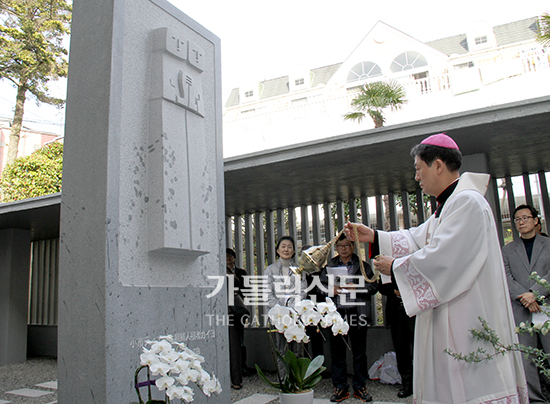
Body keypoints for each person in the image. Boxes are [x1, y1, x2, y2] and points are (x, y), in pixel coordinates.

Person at [345, 133, 527, 404]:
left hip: (468, 317)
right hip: (449, 315)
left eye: (419, 169)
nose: (417, 177)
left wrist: (395, 267)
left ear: (438, 165)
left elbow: (444, 258)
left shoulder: (468, 203)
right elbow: (417, 238)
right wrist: (373, 236)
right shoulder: (448, 206)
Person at [318, 233, 378, 402]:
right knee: (337, 353)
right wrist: (331, 290)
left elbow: (373, 287)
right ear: (336, 248)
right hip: (337, 315)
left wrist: (356, 287)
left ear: (353, 246)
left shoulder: (363, 265)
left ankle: (360, 387)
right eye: (340, 246)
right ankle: (340, 388)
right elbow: (319, 288)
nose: (343, 249)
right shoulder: (330, 265)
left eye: (347, 245)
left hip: (357, 313)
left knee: (360, 353)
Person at [503, 204, 550, 403]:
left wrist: (535, 294)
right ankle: (535, 398)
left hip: (545, 306)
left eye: (526, 218)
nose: (521, 222)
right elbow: (506, 277)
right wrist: (525, 296)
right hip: (521, 309)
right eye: (518, 219)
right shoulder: (507, 249)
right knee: (526, 358)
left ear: (536, 220)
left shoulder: (548, 244)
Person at [265, 236, 306, 377]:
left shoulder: (299, 270)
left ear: (294, 251)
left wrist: (293, 309)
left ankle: (297, 380)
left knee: (297, 350)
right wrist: (283, 310)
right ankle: (284, 381)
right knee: (281, 350)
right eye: (283, 246)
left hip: (295, 316)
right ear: (277, 250)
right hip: (278, 317)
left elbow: (302, 291)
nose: (286, 249)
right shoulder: (270, 270)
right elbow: (267, 294)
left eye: (289, 246)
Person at [377, 279, 414, 398]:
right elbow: (381, 287)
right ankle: (407, 384)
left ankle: (424, 382)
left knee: (421, 347)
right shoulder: (389, 263)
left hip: (416, 309)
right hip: (397, 309)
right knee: (401, 348)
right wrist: (394, 291)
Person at [226, 248, 248, 389]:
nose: (227, 258)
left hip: (236, 310)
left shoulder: (240, 272)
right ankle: (234, 376)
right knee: (233, 344)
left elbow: (247, 289)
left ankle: (240, 371)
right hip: (228, 310)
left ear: (234, 258)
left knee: (238, 342)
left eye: (229, 256)